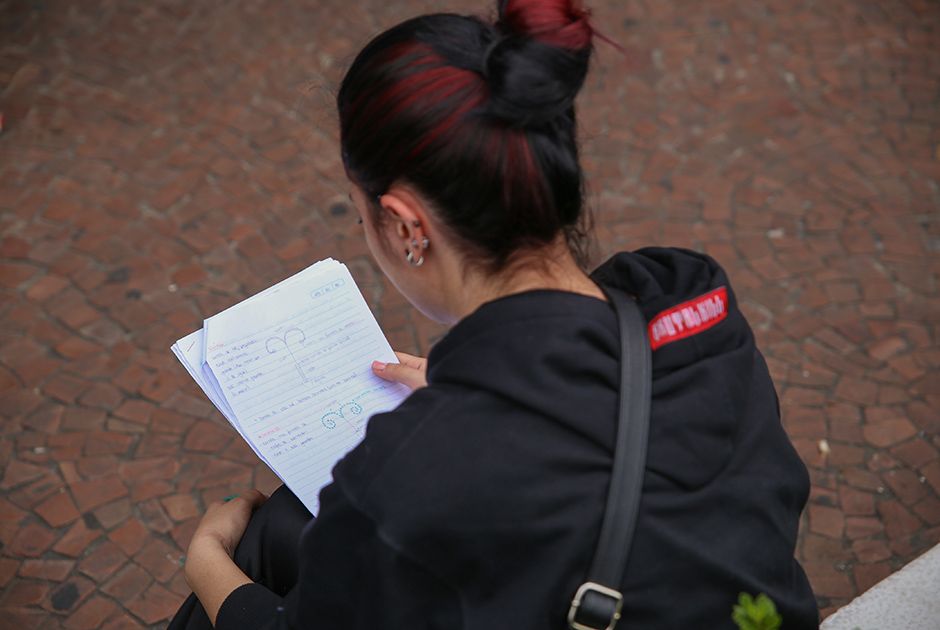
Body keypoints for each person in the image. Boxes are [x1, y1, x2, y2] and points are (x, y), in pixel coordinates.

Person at [169, 0, 820, 628]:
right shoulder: (690, 297)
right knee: (292, 526)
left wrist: (207, 563)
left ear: (405, 227)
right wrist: (486, 398)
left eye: (359, 212)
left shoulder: (406, 477)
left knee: (263, 544)